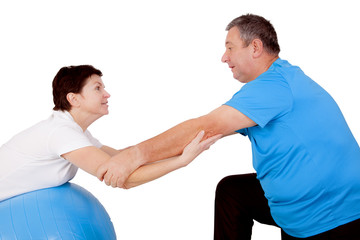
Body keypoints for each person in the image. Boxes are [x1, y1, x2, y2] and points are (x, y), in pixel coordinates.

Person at [96, 14, 360, 239]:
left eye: (230, 47)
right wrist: (123, 155)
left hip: (332, 216)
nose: (224, 57)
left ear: (255, 47)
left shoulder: (274, 86)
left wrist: (135, 155)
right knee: (233, 193)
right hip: (302, 206)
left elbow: (204, 126)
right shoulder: (275, 84)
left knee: (235, 192)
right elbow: (200, 137)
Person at [0, 65, 221, 202]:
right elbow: (123, 178)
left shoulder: (74, 132)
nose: (107, 94)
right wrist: (181, 161)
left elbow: (120, 158)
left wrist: (183, 144)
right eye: (97, 88)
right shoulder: (61, 133)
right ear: (73, 98)